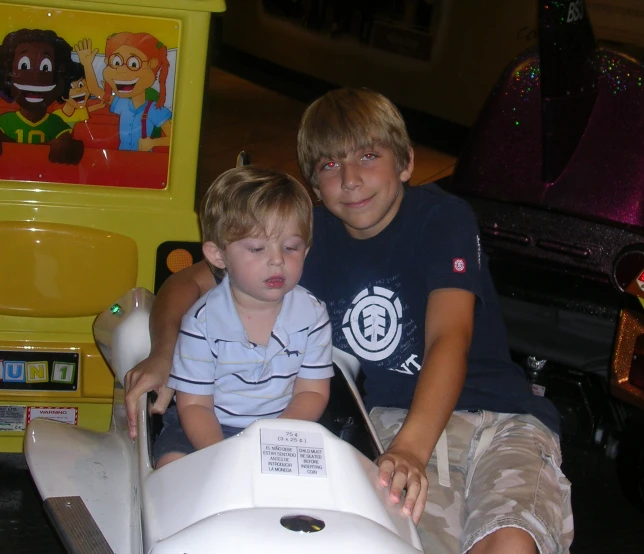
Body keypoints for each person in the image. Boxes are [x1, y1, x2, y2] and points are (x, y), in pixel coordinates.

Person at [125, 88, 573, 554]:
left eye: (368, 155)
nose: (352, 179)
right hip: (390, 425)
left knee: (510, 544)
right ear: (316, 187)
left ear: (405, 163)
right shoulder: (299, 245)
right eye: (330, 166)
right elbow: (186, 285)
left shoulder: (441, 218)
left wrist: (410, 449)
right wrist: (163, 352)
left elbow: (449, 336)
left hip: (499, 421)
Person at [152, 166, 333, 468]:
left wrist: (275, 440)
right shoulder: (202, 323)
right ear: (218, 255)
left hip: (284, 426)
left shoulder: (312, 315)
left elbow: (312, 391)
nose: (277, 260)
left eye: (291, 247)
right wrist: (222, 457)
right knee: (172, 468)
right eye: (257, 248)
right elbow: (195, 405)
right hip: (207, 426)